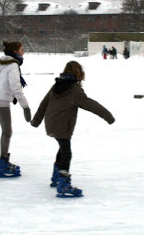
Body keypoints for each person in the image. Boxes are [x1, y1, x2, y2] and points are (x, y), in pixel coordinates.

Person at [31, 61, 115, 197]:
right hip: (62, 125)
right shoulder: (74, 89)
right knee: (66, 152)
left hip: (52, 122)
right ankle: (63, 183)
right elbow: (91, 105)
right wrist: (109, 117)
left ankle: (56, 177)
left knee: (62, 148)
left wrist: (36, 121)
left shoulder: (57, 85)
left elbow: (44, 103)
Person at [0, 41, 31, 178]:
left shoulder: (2, 63)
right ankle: (3, 164)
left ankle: (4, 161)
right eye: (22, 49)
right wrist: (26, 107)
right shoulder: (12, 65)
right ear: (16, 51)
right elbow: (15, 87)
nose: (23, 52)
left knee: (6, 131)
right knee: (7, 132)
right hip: (1, 100)